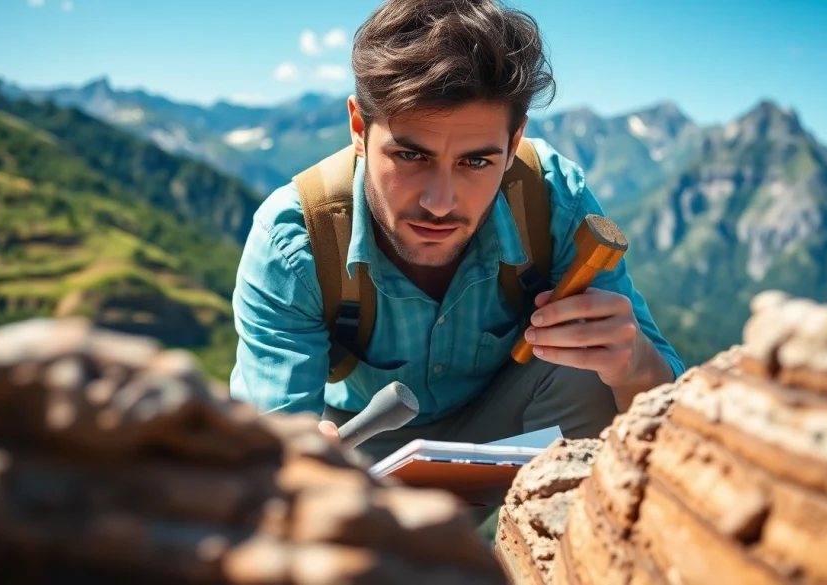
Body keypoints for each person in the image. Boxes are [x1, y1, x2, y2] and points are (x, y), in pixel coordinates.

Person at [229, 0, 685, 462]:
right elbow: (267, 453)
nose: (439, 203)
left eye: (476, 162)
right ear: (358, 127)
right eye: (410, 156)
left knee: (591, 362)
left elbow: (669, 408)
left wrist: (637, 367)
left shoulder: (552, 199)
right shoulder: (295, 241)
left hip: (507, 419)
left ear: (514, 144)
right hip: (360, 449)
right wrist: (298, 461)